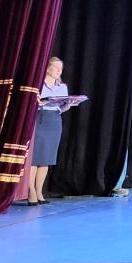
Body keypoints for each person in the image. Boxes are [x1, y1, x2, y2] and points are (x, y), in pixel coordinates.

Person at [28, 57, 78, 205]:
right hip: (39, 118)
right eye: (56, 67)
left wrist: (68, 105)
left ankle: (39, 192)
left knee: (46, 159)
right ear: (48, 68)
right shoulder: (38, 84)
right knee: (34, 158)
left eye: (60, 69)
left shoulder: (62, 87)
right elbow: (28, 102)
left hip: (54, 120)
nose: (59, 71)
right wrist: (38, 103)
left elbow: (61, 108)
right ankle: (31, 192)